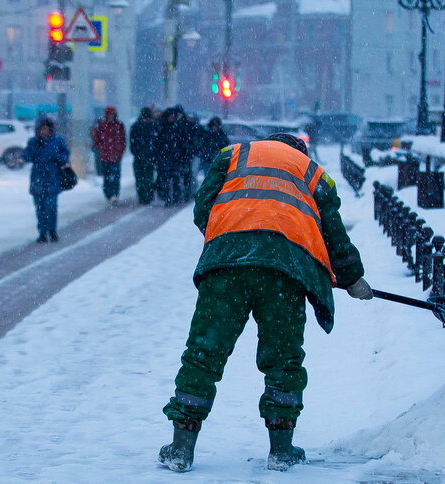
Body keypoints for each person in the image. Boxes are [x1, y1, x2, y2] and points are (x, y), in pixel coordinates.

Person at [159, 133, 373, 473]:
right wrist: (351, 278)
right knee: (283, 358)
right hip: (284, 272)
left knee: (204, 353)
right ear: (298, 151)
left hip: (226, 266)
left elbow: (203, 207)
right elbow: (333, 233)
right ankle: (281, 450)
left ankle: (181, 447)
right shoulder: (314, 174)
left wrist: (232, 237)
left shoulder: (232, 155)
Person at [23, 117, 70, 243]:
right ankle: (42, 232)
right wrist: (32, 150)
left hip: (52, 178)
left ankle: (52, 230)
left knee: (51, 207)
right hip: (38, 179)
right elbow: (27, 156)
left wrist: (57, 157)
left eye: (46, 128)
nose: (44, 131)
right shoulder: (34, 142)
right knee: (40, 208)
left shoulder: (57, 141)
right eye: (41, 128)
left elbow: (65, 155)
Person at [93, 107, 127, 205]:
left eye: (112, 114)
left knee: (116, 176)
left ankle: (114, 194)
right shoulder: (102, 126)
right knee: (107, 177)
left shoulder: (119, 125)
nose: (111, 116)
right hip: (105, 156)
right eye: (109, 114)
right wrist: (102, 149)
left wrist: (120, 150)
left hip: (116, 156)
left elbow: (123, 140)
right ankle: (109, 194)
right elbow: (97, 140)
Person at [155, 108, 184, 207]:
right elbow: (157, 143)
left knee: (175, 179)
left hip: (174, 157)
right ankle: (167, 198)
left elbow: (181, 142)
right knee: (166, 180)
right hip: (165, 157)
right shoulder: (162, 127)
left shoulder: (177, 127)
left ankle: (175, 197)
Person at [129, 107, 158, 205]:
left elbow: (133, 142)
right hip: (144, 156)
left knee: (143, 177)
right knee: (144, 177)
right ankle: (145, 196)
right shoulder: (152, 126)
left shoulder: (137, 126)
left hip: (145, 156)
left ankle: (145, 196)